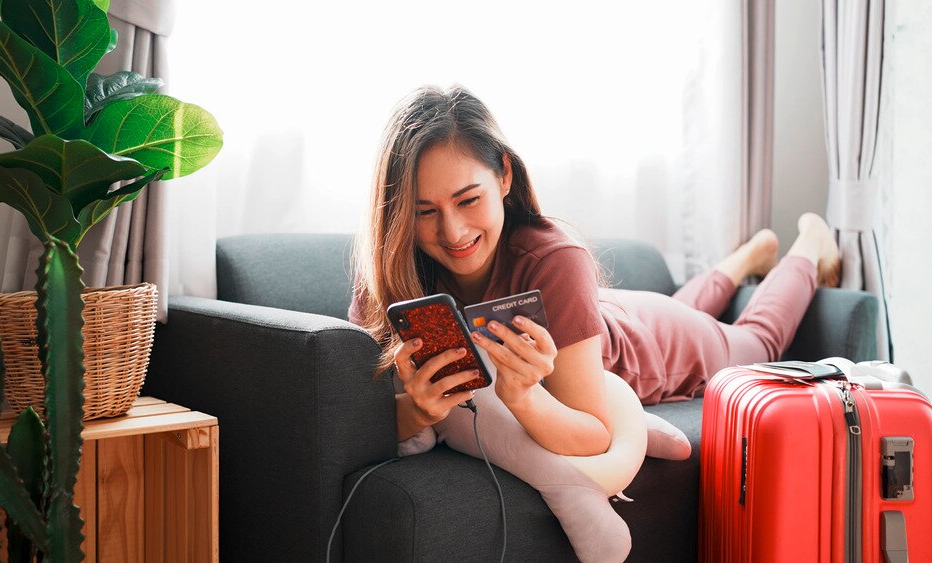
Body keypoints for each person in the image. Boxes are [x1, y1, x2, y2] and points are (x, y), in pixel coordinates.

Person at [350, 84, 840, 459]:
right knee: (679, 308)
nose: (453, 231)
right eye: (424, 211)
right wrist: (415, 411)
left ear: (503, 175)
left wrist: (522, 398)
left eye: (468, 200)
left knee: (755, 342)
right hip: (603, 317)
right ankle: (743, 261)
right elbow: (353, 420)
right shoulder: (389, 273)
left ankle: (808, 248)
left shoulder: (555, 259)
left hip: (651, 347)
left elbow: (595, 434)